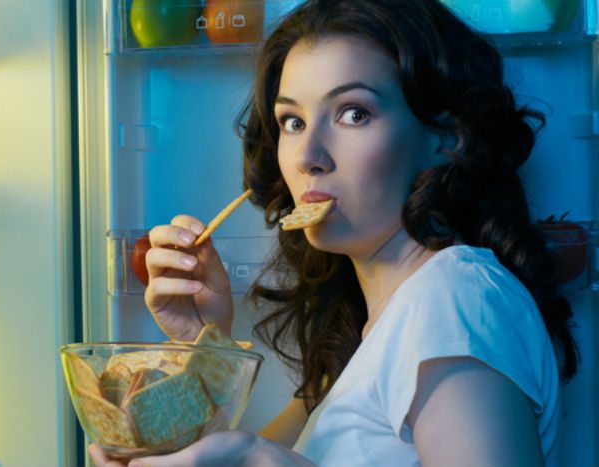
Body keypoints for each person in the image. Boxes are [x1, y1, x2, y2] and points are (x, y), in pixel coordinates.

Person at [90, 0, 580, 465]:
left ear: (446, 138)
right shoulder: (371, 335)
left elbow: (259, 462)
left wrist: (262, 461)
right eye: (293, 121)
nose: (306, 157)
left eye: (354, 113)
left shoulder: (455, 298)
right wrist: (205, 339)